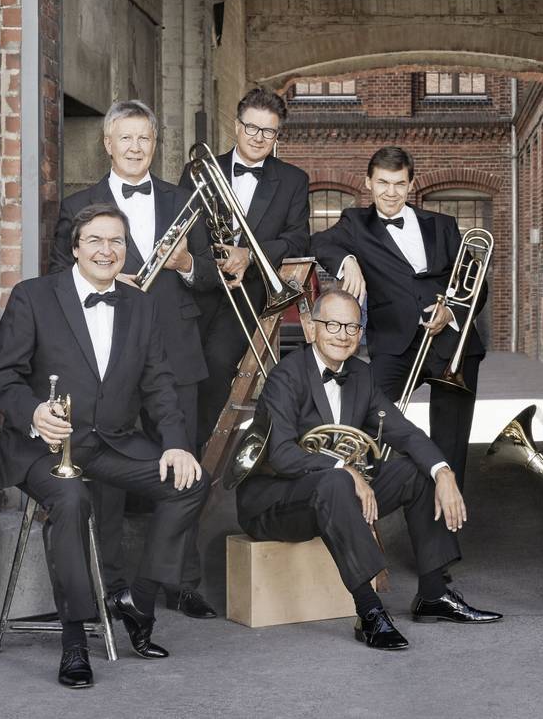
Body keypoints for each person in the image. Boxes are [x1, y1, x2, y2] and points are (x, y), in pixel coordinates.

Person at [0, 204, 208, 688]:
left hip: (111, 443)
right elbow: (2, 378)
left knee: (191, 482)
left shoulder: (140, 305)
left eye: (116, 242)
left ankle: (137, 602)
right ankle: (72, 641)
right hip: (44, 447)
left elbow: (160, 385)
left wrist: (175, 443)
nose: (106, 251)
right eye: (95, 240)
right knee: (71, 498)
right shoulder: (33, 296)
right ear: (75, 248)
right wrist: (33, 415)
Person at [236, 289, 502, 650]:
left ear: (360, 333)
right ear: (312, 329)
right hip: (275, 503)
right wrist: (345, 468)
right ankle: (369, 611)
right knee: (334, 482)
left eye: (351, 326)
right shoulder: (286, 376)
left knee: (415, 472)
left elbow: (403, 431)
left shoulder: (361, 374)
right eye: (332, 324)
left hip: (335, 493)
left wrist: (444, 471)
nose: (342, 334)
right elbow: (282, 455)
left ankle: (433, 595)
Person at [49, 99, 218, 619]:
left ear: (154, 143)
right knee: (107, 479)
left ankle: (180, 581)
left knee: (182, 466)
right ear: (108, 143)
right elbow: (58, 278)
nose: (135, 147)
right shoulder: (80, 204)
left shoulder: (184, 198)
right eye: (126, 138)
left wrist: (188, 261)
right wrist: (99, 277)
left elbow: (214, 279)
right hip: (109, 361)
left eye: (144, 138)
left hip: (178, 351)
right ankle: (113, 583)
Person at [311, 146, 485, 489]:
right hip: (394, 342)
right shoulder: (355, 223)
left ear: (411, 184)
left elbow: (478, 283)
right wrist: (348, 260)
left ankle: (447, 512)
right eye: (383, 183)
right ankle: (361, 493)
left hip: (452, 342)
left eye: (399, 184)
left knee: (451, 441)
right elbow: (317, 242)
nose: (391, 193)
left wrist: (451, 310)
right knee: (364, 416)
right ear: (368, 183)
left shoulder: (443, 225)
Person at [179, 87, 310, 450]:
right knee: (177, 368)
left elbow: (298, 240)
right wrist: (212, 264)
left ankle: (194, 451)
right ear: (236, 126)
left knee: (217, 366)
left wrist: (250, 255)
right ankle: (171, 449)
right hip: (196, 287)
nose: (258, 137)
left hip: (248, 294)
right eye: (252, 127)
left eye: (268, 131)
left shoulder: (293, 180)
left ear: (277, 134)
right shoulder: (200, 170)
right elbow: (184, 227)